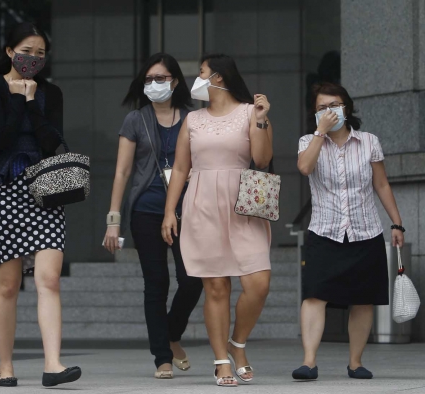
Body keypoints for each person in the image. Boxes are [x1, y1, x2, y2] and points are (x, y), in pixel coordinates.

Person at [0, 22, 80, 388]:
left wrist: (34, 101)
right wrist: (19, 98)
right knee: (7, 286)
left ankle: (52, 364)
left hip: (46, 191)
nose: (32, 59)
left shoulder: (51, 92)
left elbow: (54, 142)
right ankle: (6, 366)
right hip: (5, 189)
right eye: (26, 51)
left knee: (48, 278)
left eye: (40, 54)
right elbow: (2, 138)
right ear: (9, 52)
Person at [162, 53, 273, 387]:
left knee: (258, 282)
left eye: (201, 73)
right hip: (202, 204)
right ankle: (221, 360)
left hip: (242, 204)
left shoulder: (250, 112)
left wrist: (263, 120)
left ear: (219, 78)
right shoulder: (193, 120)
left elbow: (262, 159)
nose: (197, 79)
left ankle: (237, 344)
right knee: (215, 286)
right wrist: (170, 211)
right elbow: (180, 168)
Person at [293, 82, 405, 380]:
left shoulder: (368, 141)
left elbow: (381, 184)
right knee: (315, 295)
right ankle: (309, 361)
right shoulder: (308, 141)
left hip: (365, 230)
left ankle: (355, 362)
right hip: (324, 230)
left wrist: (396, 222)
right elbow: (304, 168)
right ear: (314, 113)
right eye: (321, 107)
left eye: (334, 105)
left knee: (363, 298)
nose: (328, 112)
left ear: (347, 108)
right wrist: (320, 133)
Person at [103, 53, 204, 379]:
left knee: (192, 280)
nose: (154, 84)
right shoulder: (135, 119)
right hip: (146, 210)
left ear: (174, 81)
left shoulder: (194, 117)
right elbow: (122, 171)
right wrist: (113, 218)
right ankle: (162, 355)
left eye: (160, 78)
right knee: (156, 283)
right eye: (148, 80)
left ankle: (172, 333)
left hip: (186, 209)